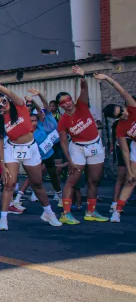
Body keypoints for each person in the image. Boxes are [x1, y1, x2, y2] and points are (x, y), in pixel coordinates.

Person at [0, 80, 62, 230]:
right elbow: (0, 143)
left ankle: (49, 213)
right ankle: (3, 218)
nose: (3, 105)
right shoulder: (1, 121)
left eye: (3, 101)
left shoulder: (19, 106)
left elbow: (9, 93)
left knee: (37, 183)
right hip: (12, 150)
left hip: (31, 148)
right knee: (9, 184)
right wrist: (2, 164)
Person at [55, 66, 107, 224]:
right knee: (72, 180)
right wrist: (69, 160)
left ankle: (91, 211)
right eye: (63, 102)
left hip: (95, 145)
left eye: (69, 99)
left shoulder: (82, 105)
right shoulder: (63, 122)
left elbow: (84, 89)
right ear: (60, 106)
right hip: (77, 148)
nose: (68, 103)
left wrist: (83, 77)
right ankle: (65, 213)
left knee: (94, 180)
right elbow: (64, 142)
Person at [98, 73, 136, 222]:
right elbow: (125, 150)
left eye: (121, 109)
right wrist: (130, 171)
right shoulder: (120, 128)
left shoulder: (132, 108)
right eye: (119, 114)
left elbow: (122, 92)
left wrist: (107, 78)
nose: (123, 113)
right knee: (130, 181)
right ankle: (117, 211)